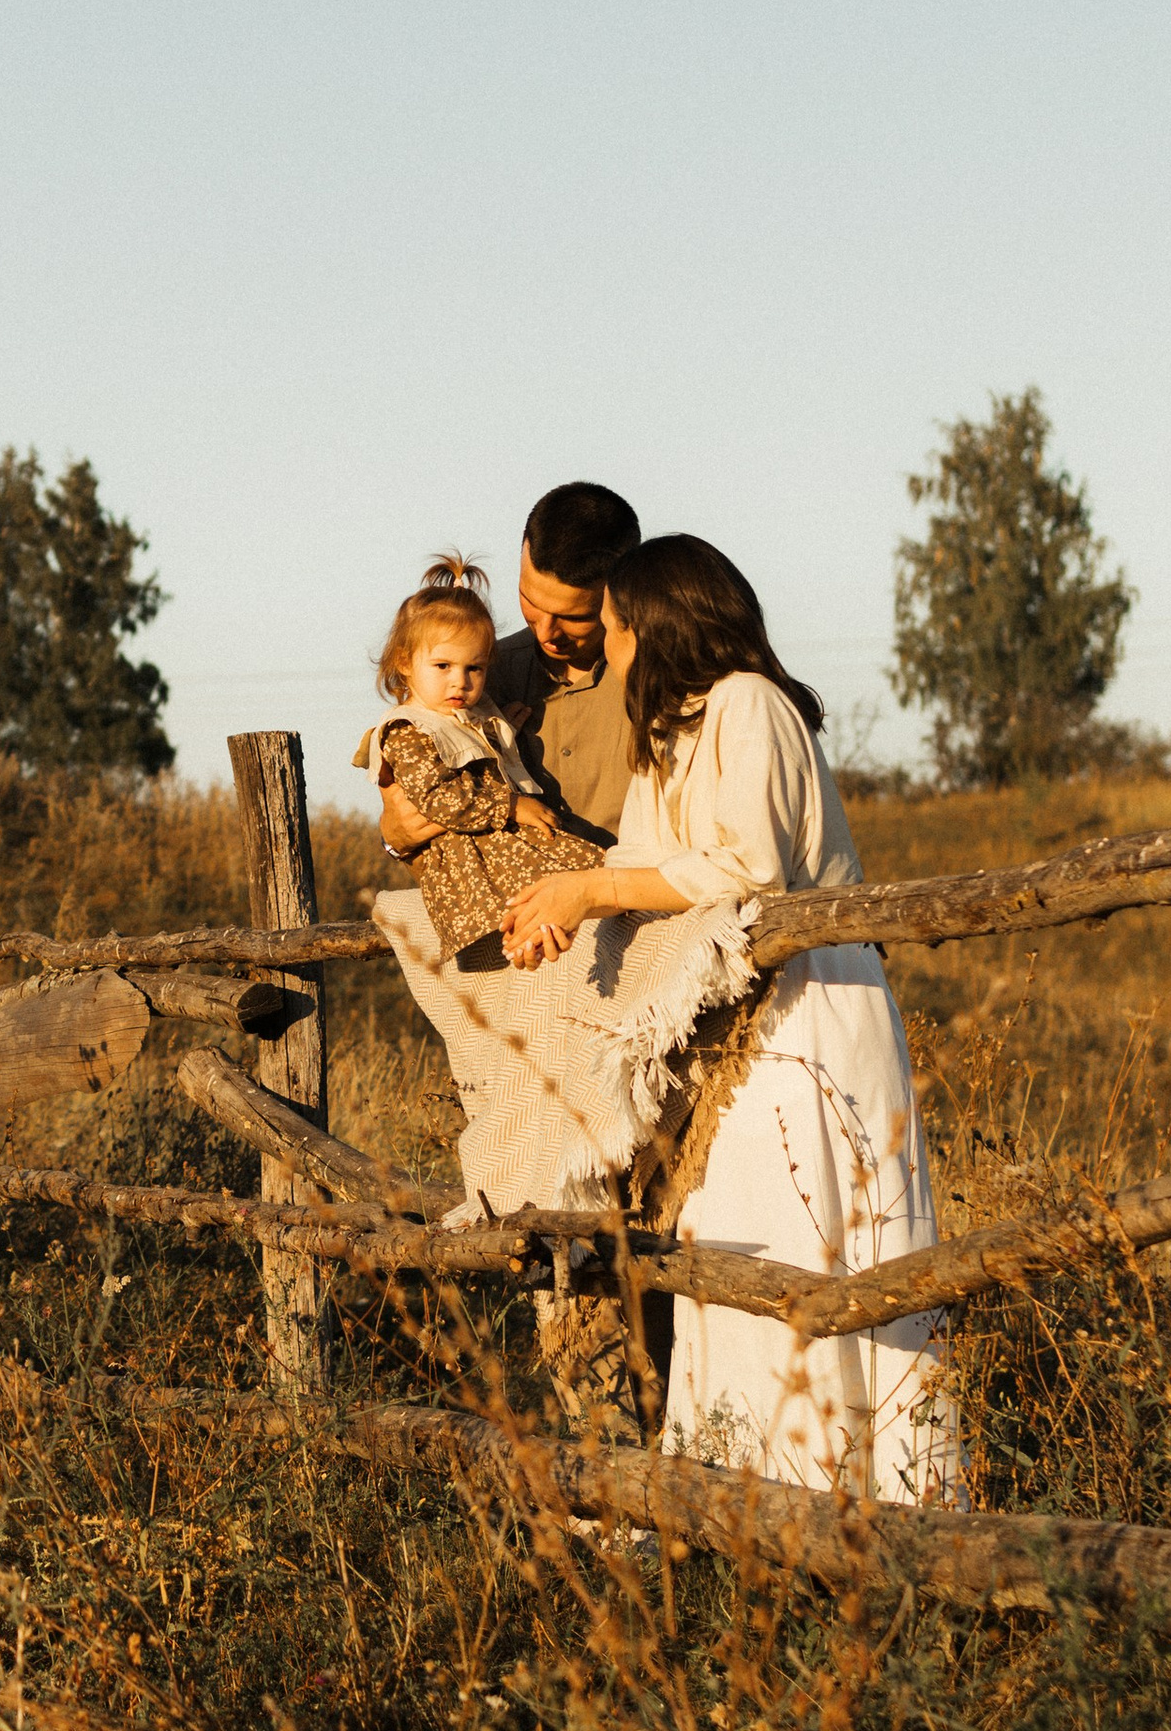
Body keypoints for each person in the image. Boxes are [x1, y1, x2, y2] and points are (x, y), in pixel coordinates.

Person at [499, 533, 957, 1502]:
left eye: (615, 630)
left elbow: (746, 869)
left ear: (654, 628)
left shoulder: (748, 704)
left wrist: (591, 889)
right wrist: (565, 909)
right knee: (735, 1238)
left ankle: (855, 1494)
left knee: (804, 1231)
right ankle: (751, 1493)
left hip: (804, 1004)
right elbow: (646, 869)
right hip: (733, 1016)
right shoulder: (669, 731)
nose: (606, 652)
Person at [366, 482, 643, 1219]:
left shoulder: (651, 679)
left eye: (572, 617)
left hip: (629, 937)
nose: (546, 630)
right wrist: (407, 827)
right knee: (545, 1157)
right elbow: (406, 819)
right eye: (531, 603)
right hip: (529, 950)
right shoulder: (479, 670)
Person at [350, 560, 602, 960]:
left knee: (593, 875)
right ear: (403, 662)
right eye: (443, 666)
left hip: (499, 849)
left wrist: (505, 735)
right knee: (562, 891)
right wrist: (511, 805)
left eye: (475, 668)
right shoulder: (408, 730)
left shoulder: (469, 715)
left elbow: (477, 762)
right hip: (476, 864)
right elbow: (439, 796)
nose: (460, 681)